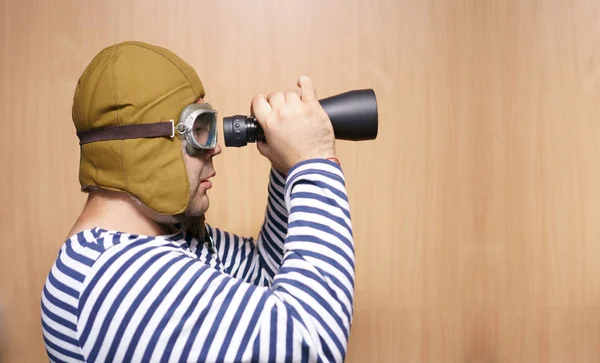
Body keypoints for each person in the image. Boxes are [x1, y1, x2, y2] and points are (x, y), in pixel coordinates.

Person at [41, 41, 354, 363]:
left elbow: (267, 275)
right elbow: (310, 346)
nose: (215, 147)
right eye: (199, 129)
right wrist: (314, 163)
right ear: (142, 146)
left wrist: (287, 168)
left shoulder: (169, 240)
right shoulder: (113, 277)